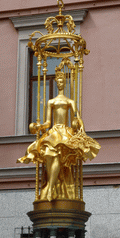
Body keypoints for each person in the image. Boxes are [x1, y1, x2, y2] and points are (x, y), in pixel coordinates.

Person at [17, 71, 100, 201]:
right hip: (54, 132)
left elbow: (77, 117)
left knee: (57, 157)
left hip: (65, 133)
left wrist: (79, 125)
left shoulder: (70, 101)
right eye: (58, 81)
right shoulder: (51, 102)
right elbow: (48, 122)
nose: (60, 83)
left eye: (62, 81)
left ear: (64, 83)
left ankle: (50, 188)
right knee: (49, 155)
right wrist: (39, 127)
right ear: (56, 83)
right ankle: (51, 186)